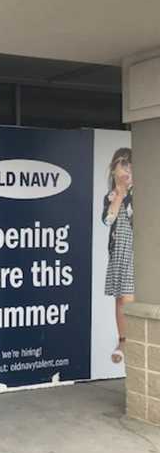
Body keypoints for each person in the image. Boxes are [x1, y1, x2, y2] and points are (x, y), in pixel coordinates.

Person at [102, 148, 134, 364]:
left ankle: (134, 339)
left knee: (129, 297)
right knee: (119, 299)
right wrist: (119, 194)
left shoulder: (142, 190)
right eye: (121, 167)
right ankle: (122, 339)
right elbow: (107, 220)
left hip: (134, 249)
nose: (125, 172)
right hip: (118, 249)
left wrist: (129, 191)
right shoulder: (112, 195)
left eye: (129, 167)